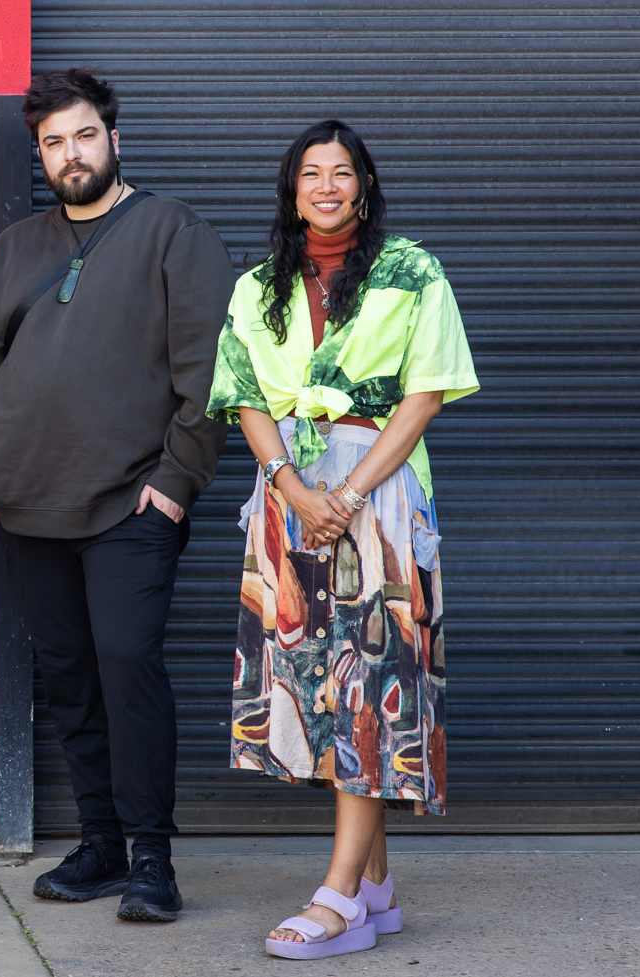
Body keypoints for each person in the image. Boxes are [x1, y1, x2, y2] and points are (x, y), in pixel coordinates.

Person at [0, 70, 234, 922]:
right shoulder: (14, 250)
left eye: (82, 136)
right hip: (29, 508)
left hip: (131, 509)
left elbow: (212, 371)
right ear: (38, 154)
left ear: (115, 138)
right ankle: (101, 843)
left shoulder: (171, 232)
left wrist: (176, 484)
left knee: (127, 666)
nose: (69, 154)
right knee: (69, 676)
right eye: (52, 143)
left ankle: (153, 857)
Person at [205, 120, 478, 960]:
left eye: (342, 172)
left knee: (371, 688)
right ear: (292, 190)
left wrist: (349, 494)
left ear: (364, 184)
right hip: (288, 492)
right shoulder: (257, 286)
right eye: (310, 173)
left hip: (380, 493)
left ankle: (336, 897)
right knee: (320, 680)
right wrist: (292, 487)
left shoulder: (412, 271)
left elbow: (425, 394)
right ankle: (378, 888)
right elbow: (246, 394)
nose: (326, 186)